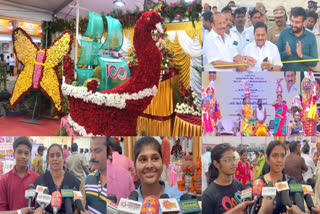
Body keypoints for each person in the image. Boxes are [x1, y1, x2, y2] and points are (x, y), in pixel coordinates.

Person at [134, 137, 183, 214]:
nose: (149, 165)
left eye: (155, 158)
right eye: (143, 160)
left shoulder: (179, 199)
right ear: (135, 166)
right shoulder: (129, 204)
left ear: (162, 162)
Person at [202, 143, 254, 214]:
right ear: (216, 164)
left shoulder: (239, 186)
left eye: (234, 159)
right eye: (228, 160)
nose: (234, 163)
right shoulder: (209, 195)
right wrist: (235, 211)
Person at [33, 144, 81, 214]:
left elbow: (78, 208)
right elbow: (37, 208)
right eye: (52, 156)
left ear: (63, 158)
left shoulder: (73, 181)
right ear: (48, 160)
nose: (55, 159)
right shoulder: (40, 181)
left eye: (58, 155)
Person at [257, 141, 300, 213]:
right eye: (275, 155)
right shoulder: (258, 183)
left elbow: (298, 207)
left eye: (282, 156)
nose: (279, 160)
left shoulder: (292, 181)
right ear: (267, 159)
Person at [0, 137, 39, 211]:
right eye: (19, 152)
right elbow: (2, 209)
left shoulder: (37, 178)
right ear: (14, 154)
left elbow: (39, 206)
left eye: (26, 153)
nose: (23, 156)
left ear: (30, 156)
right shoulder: (4, 180)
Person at [277, 7, 318, 71]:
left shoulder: (311, 37)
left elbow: (314, 62)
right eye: (292, 21)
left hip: (303, 77)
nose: (293, 25)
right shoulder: (284, 33)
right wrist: (286, 53)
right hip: (285, 75)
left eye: (297, 22)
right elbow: (276, 57)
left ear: (304, 22)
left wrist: (301, 56)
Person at [107, 137, 135, 203]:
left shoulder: (105, 160)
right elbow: (135, 170)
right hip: (124, 198)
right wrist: (131, 179)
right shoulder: (125, 158)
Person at [84, 137, 108, 214]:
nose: (92, 157)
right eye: (91, 151)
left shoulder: (121, 181)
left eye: (97, 151)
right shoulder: (89, 178)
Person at [65, 143, 90, 207]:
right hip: (80, 180)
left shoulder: (68, 159)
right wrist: (90, 175)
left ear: (71, 149)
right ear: (77, 148)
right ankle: (81, 210)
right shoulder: (81, 157)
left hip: (72, 181)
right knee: (81, 197)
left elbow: (66, 172)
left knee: (73, 196)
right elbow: (85, 169)